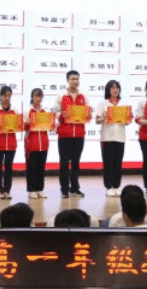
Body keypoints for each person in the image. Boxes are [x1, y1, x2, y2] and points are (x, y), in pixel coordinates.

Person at [55, 70, 89, 198]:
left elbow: (87, 112)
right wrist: (62, 115)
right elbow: (55, 112)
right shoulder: (61, 96)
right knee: (64, 163)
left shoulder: (83, 97)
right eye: (72, 79)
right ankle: (64, 189)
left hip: (79, 134)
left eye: (77, 79)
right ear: (67, 80)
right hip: (65, 134)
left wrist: (88, 115)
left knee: (76, 162)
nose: (75, 81)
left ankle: (75, 188)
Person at [96, 80, 131, 197]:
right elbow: (97, 120)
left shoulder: (123, 104)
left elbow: (127, 122)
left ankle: (116, 186)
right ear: (108, 90)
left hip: (120, 137)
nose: (115, 90)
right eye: (112, 88)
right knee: (108, 163)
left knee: (118, 162)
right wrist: (105, 117)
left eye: (117, 88)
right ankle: (109, 186)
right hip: (107, 137)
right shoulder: (103, 103)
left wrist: (128, 118)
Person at [0, 86, 18, 199]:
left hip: (11, 143)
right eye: (5, 95)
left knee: (9, 167)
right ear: (0, 96)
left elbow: (18, 126)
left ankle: (7, 190)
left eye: (9, 96)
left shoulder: (14, 110)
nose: (7, 98)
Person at [25, 88, 50, 199]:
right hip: (32, 143)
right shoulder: (28, 112)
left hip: (43, 143)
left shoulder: (45, 111)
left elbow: (49, 126)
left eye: (40, 96)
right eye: (36, 96)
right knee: (32, 167)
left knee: (41, 167)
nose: (38, 99)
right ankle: (31, 189)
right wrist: (29, 123)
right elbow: (23, 126)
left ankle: (40, 189)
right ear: (32, 97)